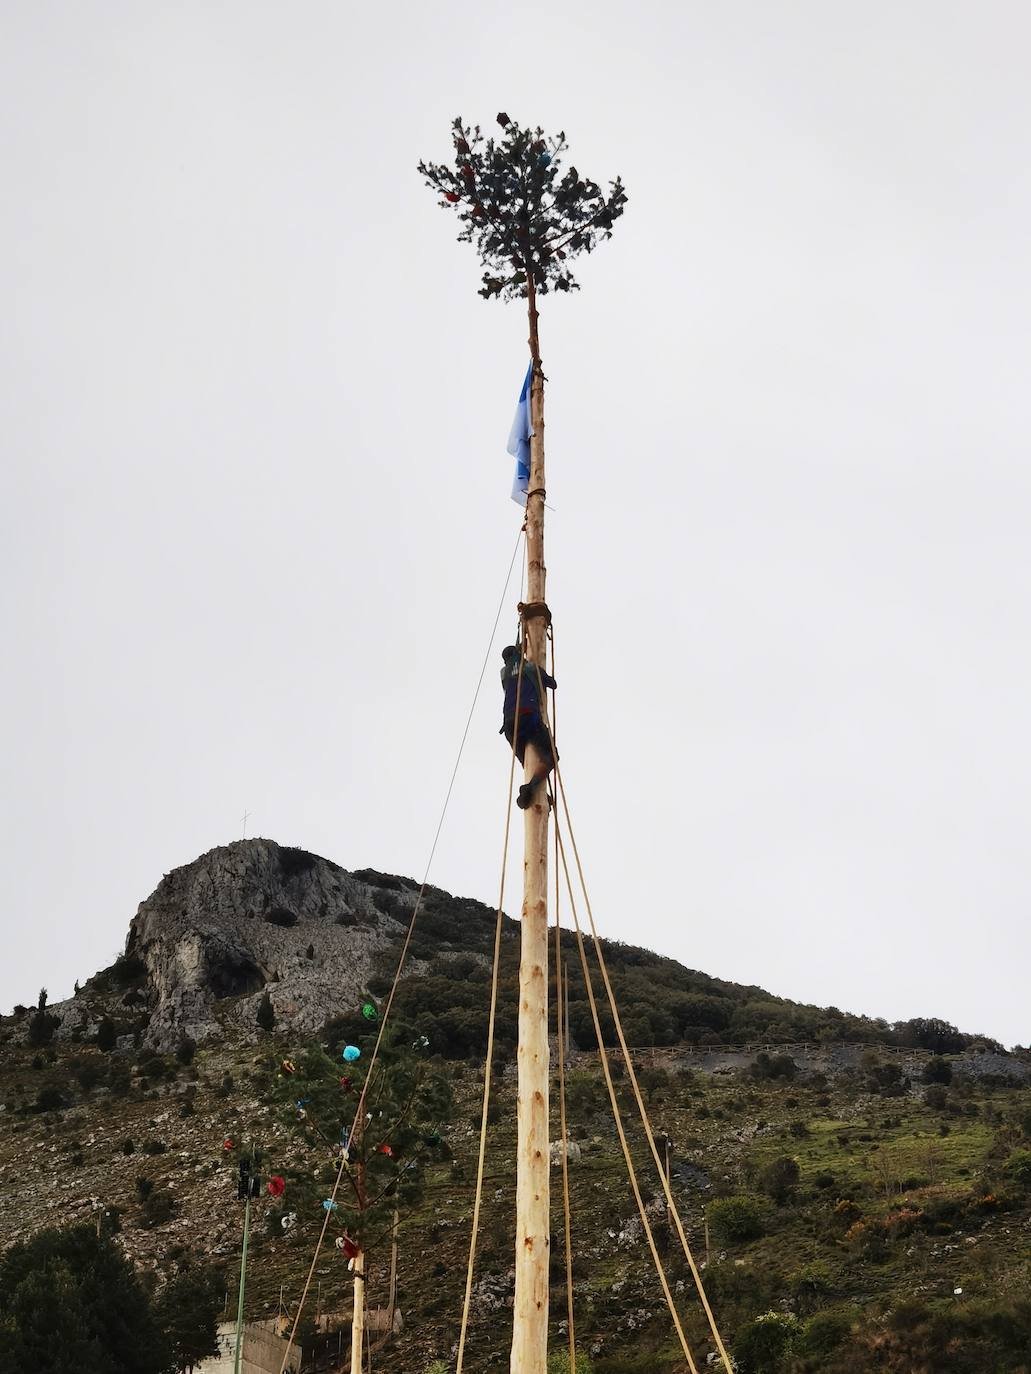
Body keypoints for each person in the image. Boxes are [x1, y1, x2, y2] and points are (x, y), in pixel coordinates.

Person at [500, 644, 557, 809]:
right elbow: (553, 684)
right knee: (550, 757)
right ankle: (530, 788)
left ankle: (535, 790)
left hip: (510, 725)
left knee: (528, 763)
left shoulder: (504, 674)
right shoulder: (531, 668)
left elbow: (512, 670)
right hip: (528, 718)